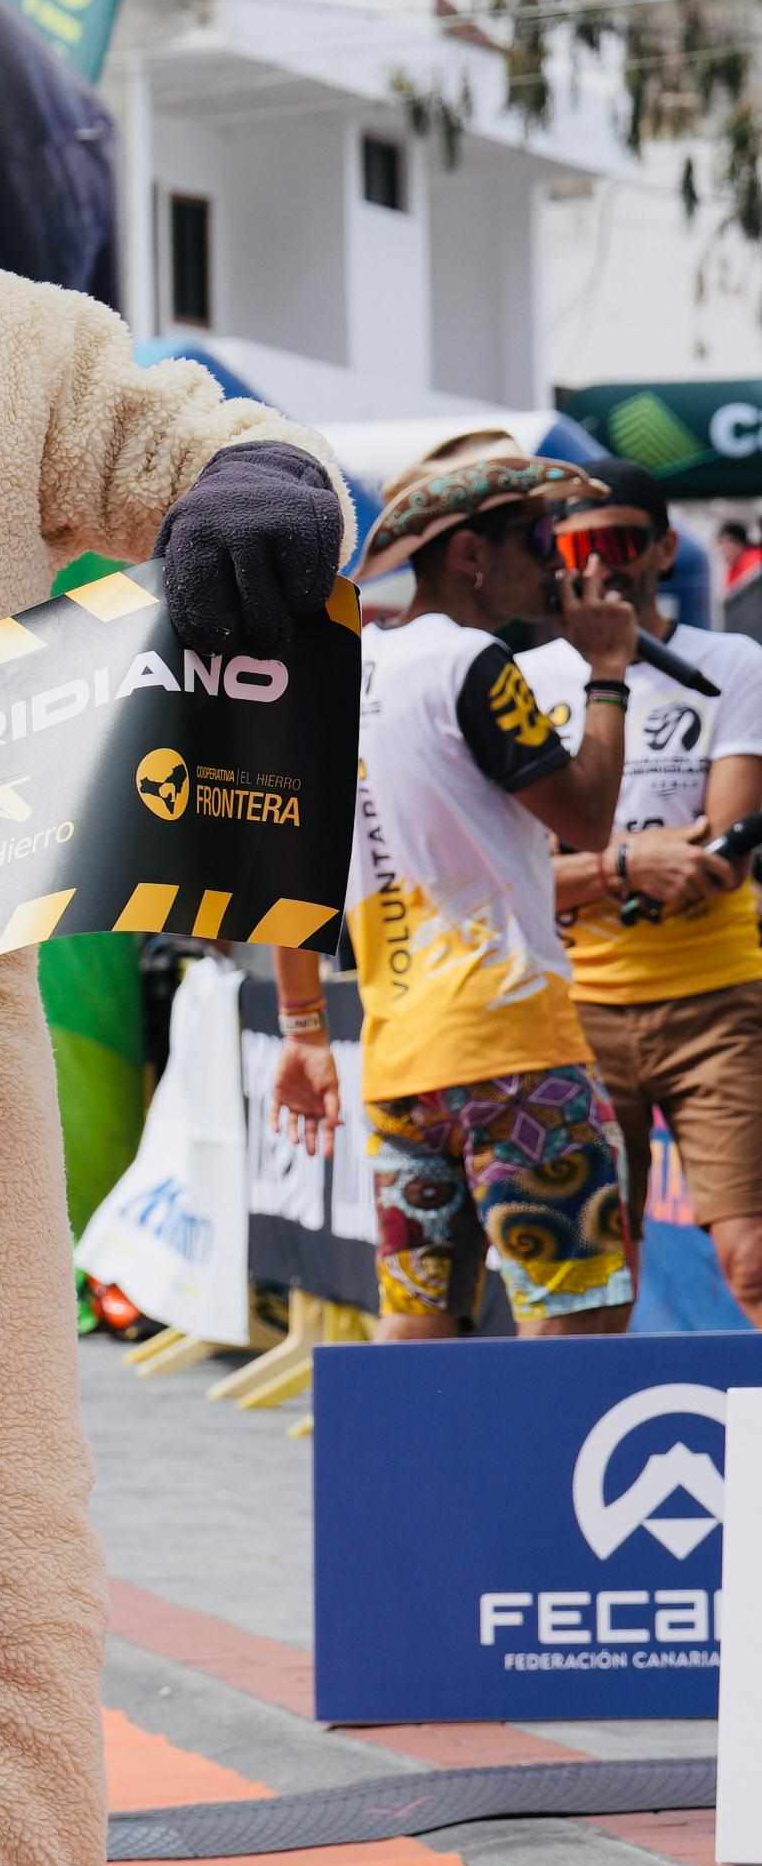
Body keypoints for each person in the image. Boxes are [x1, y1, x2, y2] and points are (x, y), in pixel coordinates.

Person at [275, 455, 638, 1337]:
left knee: (419, 1327)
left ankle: (398, 1483)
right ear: (472, 554)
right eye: (537, 542)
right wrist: (608, 671)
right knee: (582, 1316)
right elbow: (587, 817)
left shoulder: (342, 671)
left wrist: (303, 1033)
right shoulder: (471, 661)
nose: (557, 564)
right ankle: (545, 1483)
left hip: (401, 1064)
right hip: (513, 1046)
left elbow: (287, 874)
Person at [522, 460, 762, 1315]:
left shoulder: (731, 662)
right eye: (579, 546)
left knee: (752, 1259)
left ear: (664, 548)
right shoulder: (530, 681)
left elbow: (717, 861)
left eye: (622, 542)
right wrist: (634, 862)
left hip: (715, 1003)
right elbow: (525, 881)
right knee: (595, 1277)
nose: (602, 566)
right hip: (577, 1008)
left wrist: (588, 863)